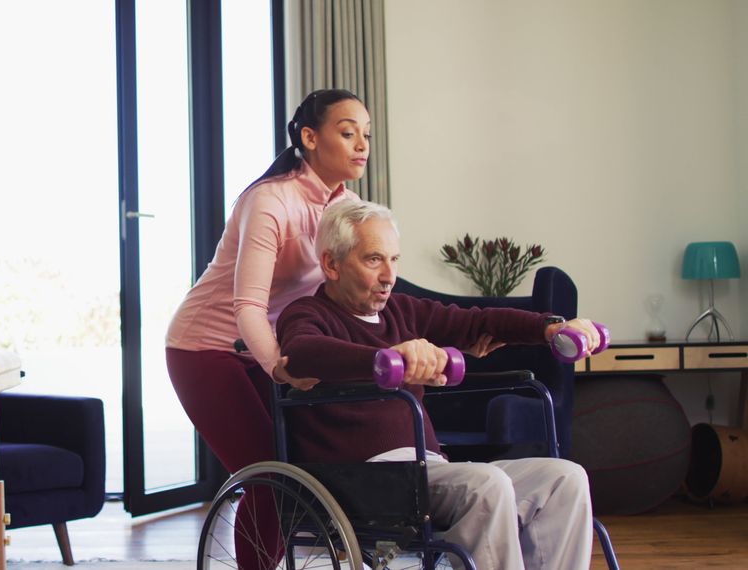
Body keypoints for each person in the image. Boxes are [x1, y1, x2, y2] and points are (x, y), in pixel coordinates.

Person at [276, 199, 597, 570]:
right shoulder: (306, 314)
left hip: (428, 470)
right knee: (486, 485)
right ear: (332, 264)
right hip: (366, 479)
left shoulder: (402, 310)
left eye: (394, 260)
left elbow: (479, 320)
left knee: (565, 479)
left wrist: (551, 326)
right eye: (373, 260)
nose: (388, 276)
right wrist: (387, 359)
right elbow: (303, 353)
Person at [165, 89, 368, 568]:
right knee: (266, 473)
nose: (361, 144)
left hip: (269, 347)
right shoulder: (271, 201)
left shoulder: (349, 206)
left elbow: (358, 296)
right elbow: (248, 306)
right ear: (309, 137)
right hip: (205, 348)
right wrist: (279, 366)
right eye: (347, 132)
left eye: (366, 134)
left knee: (295, 469)